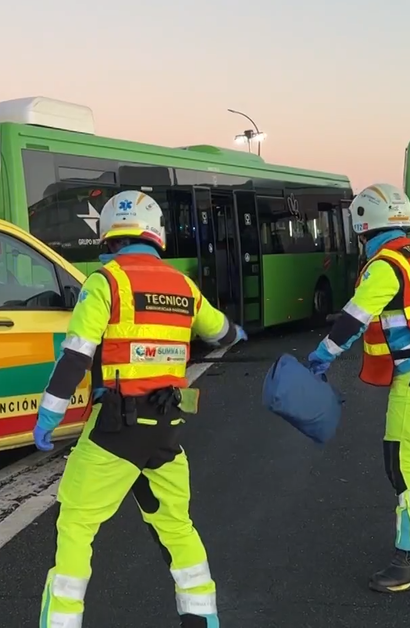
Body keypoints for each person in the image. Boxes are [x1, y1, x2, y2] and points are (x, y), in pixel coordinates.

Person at [32, 190, 246, 628]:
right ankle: (202, 619)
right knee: (177, 527)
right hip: (166, 431)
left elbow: (76, 354)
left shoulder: (106, 281)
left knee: (76, 524)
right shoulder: (182, 285)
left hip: (116, 429)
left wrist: (50, 412)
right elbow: (220, 331)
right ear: (156, 235)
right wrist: (237, 333)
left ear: (109, 236)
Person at [304, 182, 410, 593]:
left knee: (401, 460)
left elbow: (353, 318)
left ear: (364, 227)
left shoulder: (385, 265)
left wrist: (323, 355)